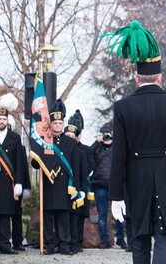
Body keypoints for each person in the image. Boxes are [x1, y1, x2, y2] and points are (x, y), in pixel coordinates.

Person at [103, 20, 166, 264]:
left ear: (136, 79)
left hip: (137, 180)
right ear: (159, 78)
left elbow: (119, 156)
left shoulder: (123, 107)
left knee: (140, 239)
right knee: (165, 238)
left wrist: (116, 195)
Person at [31, 99, 81, 255]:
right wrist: (35, 155)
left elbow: (76, 166)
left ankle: (65, 245)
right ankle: (50, 245)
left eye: (60, 123)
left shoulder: (71, 143)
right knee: (48, 217)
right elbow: (35, 164)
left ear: (63, 123)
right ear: (50, 124)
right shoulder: (45, 141)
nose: (58, 125)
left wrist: (76, 187)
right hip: (49, 184)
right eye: (55, 123)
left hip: (65, 185)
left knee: (64, 217)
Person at [92, 123, 127, 249]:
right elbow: (87, 156)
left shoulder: (118, 147)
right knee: (102, 215)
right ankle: (105, 240)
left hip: (116, 185)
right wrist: (97, 142)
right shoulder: (97, 148)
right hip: (100, 184)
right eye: (104, 135)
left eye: (108, 135)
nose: (106, 137)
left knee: (119, 214)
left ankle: (121, 239)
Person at [0, 93, 25, 255]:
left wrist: (19, 183)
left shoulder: (14, 138)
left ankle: (4, 245)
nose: (1, 122)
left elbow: (20, 163)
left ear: (7, 121)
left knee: (3, 216)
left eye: (3, 119)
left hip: (7, 182)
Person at [64, 111, 92, 254]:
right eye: (67, 136)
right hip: (67, 188)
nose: (70, 139)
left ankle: (77, 242)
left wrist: (82, 189)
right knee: (69, 216)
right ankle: (69, 241)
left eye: (72, 136)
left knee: (79, 216)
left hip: (80, 186)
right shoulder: (63, 149)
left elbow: (87, 169)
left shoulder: (84, 150)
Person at [9, 113, 30, 252]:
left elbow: (23, 167)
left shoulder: (18, 144)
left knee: (16, 215)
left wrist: (25, 186)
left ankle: (17, 242)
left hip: (15, 184)